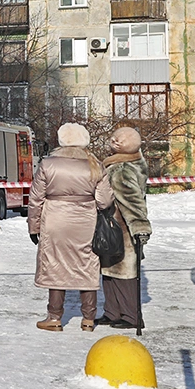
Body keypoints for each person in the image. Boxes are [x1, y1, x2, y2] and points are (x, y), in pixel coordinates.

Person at [27, 123, 114, 332]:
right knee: (87, 265)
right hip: (85, 220)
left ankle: (54, 317)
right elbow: (104, 201)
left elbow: (36, 198)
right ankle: (88, 319)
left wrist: (33, 226)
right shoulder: (95, 164)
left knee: (55, 265)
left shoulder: (48, 164)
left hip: (55, 220)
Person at [97, 127, 152, 329]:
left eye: (116, 140)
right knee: (110, 270)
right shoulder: (130, 162)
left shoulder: (121, 169)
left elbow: (132, 201)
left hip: (123, 229)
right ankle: (112, 312)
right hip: (115, 226)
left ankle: (131, 316)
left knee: (125, 273)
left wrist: (140, 228)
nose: (112, 142)